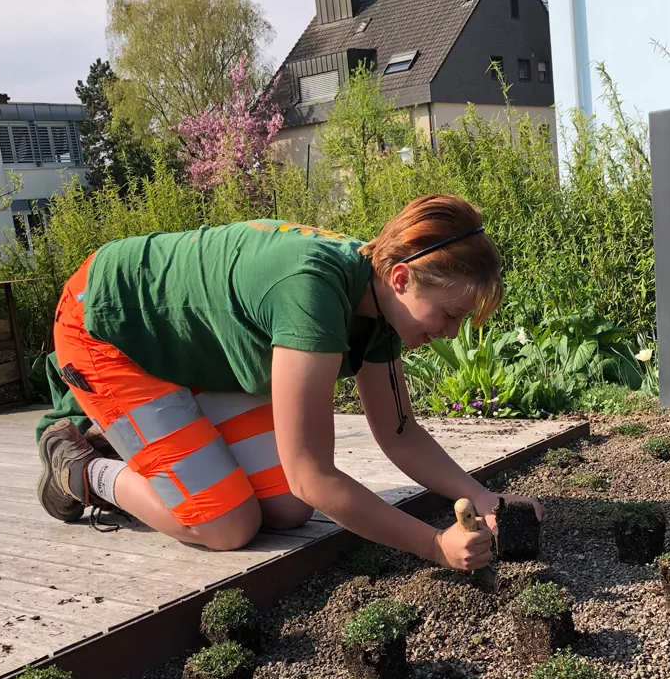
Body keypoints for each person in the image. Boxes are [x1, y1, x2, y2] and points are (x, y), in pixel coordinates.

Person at [36, 194, 541, 572]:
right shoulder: (313, 295)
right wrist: (434, 546)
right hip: (106, 327)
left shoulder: (383, 304)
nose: (450, 333)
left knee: (287, 509)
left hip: (186, 349)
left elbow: (399, 432)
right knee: (227, 524)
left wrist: (487, 501)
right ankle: (83, 468)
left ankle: (148, 440)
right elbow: (314, 476)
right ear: (403, 278)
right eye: (450, 314)